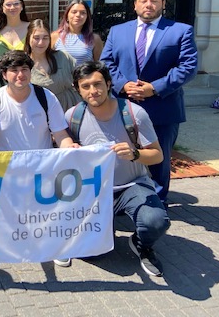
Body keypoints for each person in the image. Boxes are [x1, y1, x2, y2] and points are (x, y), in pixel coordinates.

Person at [0, 50, 77, 267]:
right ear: (4, 74)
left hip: (41, 170)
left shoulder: (46, 97)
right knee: (10, 221)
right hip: (6, 171)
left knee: (47, 213)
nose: (20, 75)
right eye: (14, 70)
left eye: (25, 70)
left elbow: (60, 134)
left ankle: (55, 245)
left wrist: (70, 147)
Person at [66, 61, 170, 276]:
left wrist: (135, 154)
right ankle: (103, 231)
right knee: (95, 253)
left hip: (131, 186)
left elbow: (158, 155)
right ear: (77, 89)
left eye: (98, 84)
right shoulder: (73, 116)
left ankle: (142, 244)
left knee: (155, 221)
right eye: (86, 86)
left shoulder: (133, 113)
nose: (93, 91)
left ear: (109, 84)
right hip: (93, 191)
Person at [101, 0, 198, 203]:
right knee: (122, 155)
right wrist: (124, 85)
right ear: (135, 5)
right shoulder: (118, 31)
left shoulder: (180, 31)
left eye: (154, 1)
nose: (148, 5)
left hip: (162, 107)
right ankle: (123, 201)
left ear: (163, 4)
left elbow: (188, 67)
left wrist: (153, 88)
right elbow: (106, 62)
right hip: (124, 107)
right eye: (143, 0)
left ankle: (156, 204)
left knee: (159, 159)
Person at [25, 19, 80, 111]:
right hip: (40, 113)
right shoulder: (23, 64)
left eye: (45, 38)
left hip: (68, 109)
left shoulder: (63, 57)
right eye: (36, 38)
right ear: (28, 38)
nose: (41, 42)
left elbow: (81, 78)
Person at [51, 0, 104, 65]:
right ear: (67, 16)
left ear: (87, 17)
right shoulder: (55, 36)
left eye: (83, 13)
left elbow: (99, 66)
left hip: (84, 75)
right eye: (74, 12)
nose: (78, 15)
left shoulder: (94, 39)